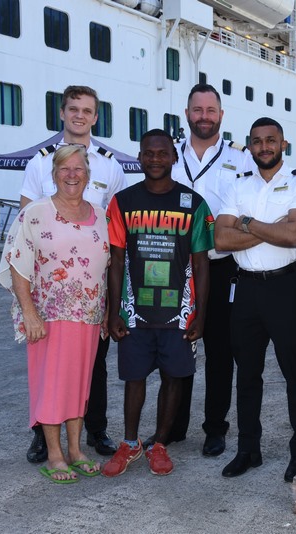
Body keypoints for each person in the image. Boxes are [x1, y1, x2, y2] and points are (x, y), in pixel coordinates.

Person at [20, 85, 126, 463]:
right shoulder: (39, 162)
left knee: (93, 362)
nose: (80, 116)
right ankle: (41, 435)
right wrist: (28, 301)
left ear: (96, 117)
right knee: (48, 364)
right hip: (51, 289)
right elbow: (25, 227)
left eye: (87, 110)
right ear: (62, 113)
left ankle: (95, 429)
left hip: (93, 288)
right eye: (73, 109)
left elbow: (115, 226)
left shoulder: (110, 166)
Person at [102, 129, 212, 477]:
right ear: (139, 157)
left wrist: (201, 316)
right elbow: (116, 260)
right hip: (136, 312)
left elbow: (202, 264)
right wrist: (115, 310)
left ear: (173, 157)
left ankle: (160, 443)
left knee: (173, 377)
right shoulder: (122, 202)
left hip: (178, 313)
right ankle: (130, 443)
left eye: (162, 153)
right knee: (133, 378)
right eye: (148, 153)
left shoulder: (193, 204)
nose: (155, 159)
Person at [214, 117, 296, 483]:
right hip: (245, 289)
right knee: (247, 373)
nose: (264, 147)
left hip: (285, 288)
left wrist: (246, 224)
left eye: (270, 140)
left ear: (283, 144)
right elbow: (221, 240)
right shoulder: (236, 183)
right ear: (250, 145)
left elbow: (293, 237)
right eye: (256, 141)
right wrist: (270, 227)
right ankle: (248, 450)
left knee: (295, 371)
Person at [0, 145, 110, 483]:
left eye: (78, 169)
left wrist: (106, 312)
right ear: (54, 174)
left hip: (89, 317)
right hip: (47, 317)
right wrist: (29, 314)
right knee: (50, 385)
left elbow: (107, 268)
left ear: (88, 175)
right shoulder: (36, 213)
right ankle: (55, 454)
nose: (72, 174)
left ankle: (75, 450)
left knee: (79, 386)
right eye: (65, 169)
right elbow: (18, 264)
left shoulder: (101, 216)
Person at [166, 83, 252, 457]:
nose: (204, 116)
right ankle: (173, 425)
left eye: (210, 110)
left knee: (220, 351)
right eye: (197, 110)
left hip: (221, 267)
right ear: (187, 114)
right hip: (173, 266)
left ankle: (215, 427)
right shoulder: (168, 154)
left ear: (221, 115)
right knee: (175, 347)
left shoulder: (242, 158)